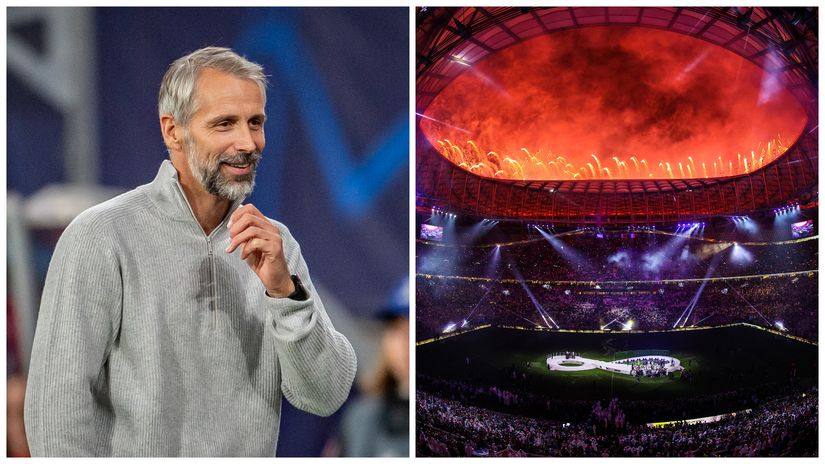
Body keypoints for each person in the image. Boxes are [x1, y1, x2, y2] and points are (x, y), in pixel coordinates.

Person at [24, 47, 357, 457]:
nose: (248, 142)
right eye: (224, 124)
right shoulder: (101, 236)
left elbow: (324, 396)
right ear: (172, 131)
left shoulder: (276, 245)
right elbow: (55, 411)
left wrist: (286, 294)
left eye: (256, 122)